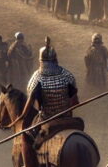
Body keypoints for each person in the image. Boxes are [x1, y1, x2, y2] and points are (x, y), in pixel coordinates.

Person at [20, 37, 79, 167]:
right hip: (67, 118)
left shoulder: (37, 78)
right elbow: (75, 102)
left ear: (41, 61)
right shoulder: (67, 76)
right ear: (55, 59)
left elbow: (31, 104)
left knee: (26, 136)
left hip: (45, 119)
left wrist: (22, 116)